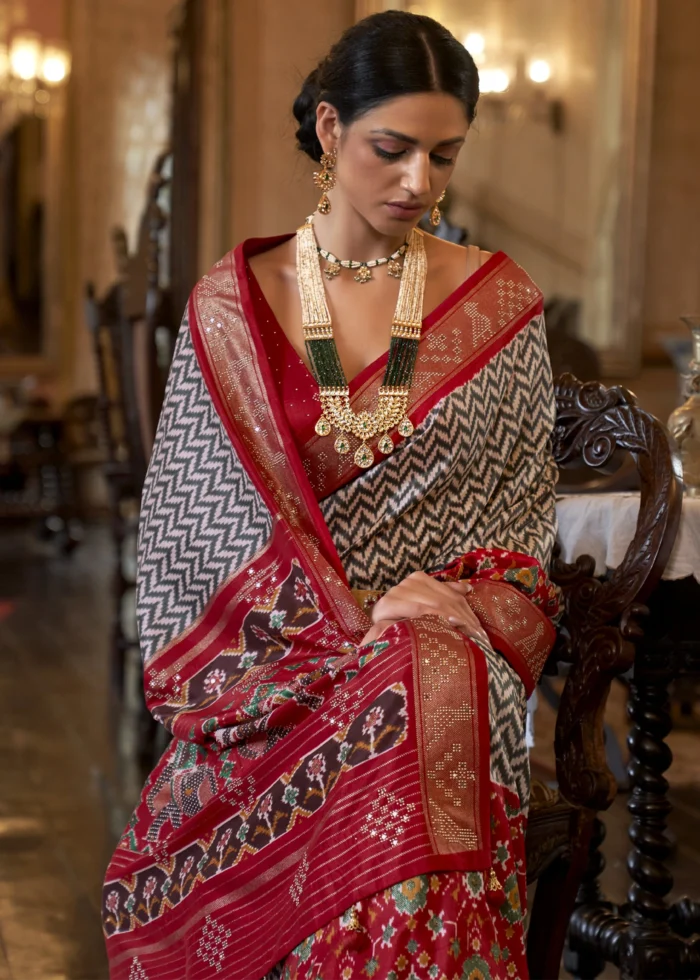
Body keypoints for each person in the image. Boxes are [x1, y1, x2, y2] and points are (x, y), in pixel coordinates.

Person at [102, 10, 561, 979]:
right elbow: (187, 537)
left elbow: (522, 517)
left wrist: (445, 603)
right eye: (390, 149)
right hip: (274, 668)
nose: (419, 184)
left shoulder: (495, 300)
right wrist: (344, 620)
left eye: (445, 155)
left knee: (422, 674)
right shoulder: (231, 307)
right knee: (406, 682)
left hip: (444, 643)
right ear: (326, 128)